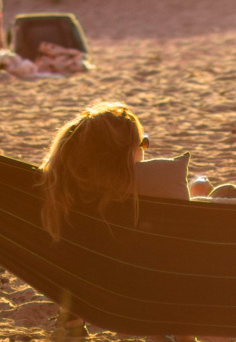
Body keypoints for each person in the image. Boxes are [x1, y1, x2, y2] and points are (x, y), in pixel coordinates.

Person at [37, 101, 209, 240]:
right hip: (157, 264)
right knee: (211, 189)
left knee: (199, 187)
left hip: (82, 264)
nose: (144, 149)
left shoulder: (59, 186)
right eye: (142, 143)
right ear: (123, 153)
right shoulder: (147, 187)